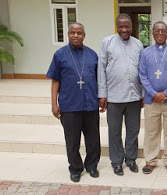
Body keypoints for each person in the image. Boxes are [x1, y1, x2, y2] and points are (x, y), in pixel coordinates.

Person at [46, 23, 100, 182]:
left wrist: (102, 98)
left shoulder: (92, 55)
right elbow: (55, 81)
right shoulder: (60, 55)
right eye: (73, 33)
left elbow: (99, 80)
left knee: (93, 139)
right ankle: (76, 168)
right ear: (68, 35)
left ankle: (92, 165)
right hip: (69, 106)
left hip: (90, 104)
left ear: (84, 35)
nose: (76, 35)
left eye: (79, 33)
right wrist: (54, 103)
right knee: (72, 140)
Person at [97, 13, 143, 176]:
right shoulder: (107, 42)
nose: (124, 29)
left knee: (133, 130)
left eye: (127, 26)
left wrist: (143, 93)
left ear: (132, 27)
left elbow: (142, 71)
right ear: (117, 26)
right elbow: (101, 69)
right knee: (114, 131)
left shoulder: (138, 44)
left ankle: (130, 159)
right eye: (121, 26)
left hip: (134, 97)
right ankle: (116, 161)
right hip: (114, 97)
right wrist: (102, 94)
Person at [139, 21, 167, 174]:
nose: (160, 33)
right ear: (152, 33)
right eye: (157, 30)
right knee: (151, 132)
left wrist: (166, 93)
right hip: (152, 101)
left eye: (163, 30)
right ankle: (150, 161)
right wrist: (153, 93)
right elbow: (142, 75)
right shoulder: (145, 53)